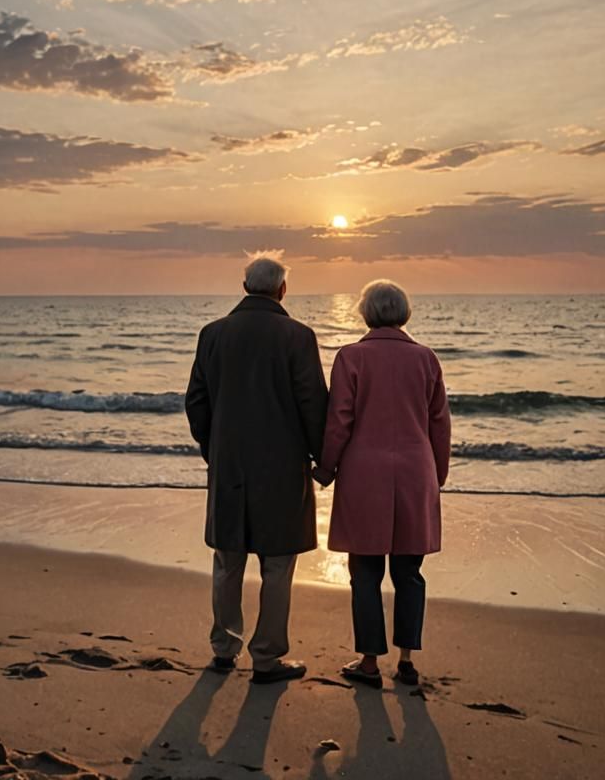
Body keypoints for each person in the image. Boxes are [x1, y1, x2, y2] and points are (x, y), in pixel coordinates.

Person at [185, 253, 328, 684]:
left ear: (245, 286)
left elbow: (196, 401)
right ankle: (266, 657)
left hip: (229, 464)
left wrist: (214, 448)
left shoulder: (212, 334)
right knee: (278, 565)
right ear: (282, 290)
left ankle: (224, 649)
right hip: (282, 468)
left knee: (228, 561)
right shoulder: (298, 336)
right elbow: (313, 404)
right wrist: (324, 457)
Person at [313, 280, 451, 689]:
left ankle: (369, 660)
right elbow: (439, 423)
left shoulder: (351, 357)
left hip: (363, 473)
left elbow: (340, 420)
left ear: (365, 313)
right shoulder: (426, 359)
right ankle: (407, 660)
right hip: (415, 470)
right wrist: (437, 474)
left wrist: (326, 468)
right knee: (409, 571)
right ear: (404, 312)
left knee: (365, 570)